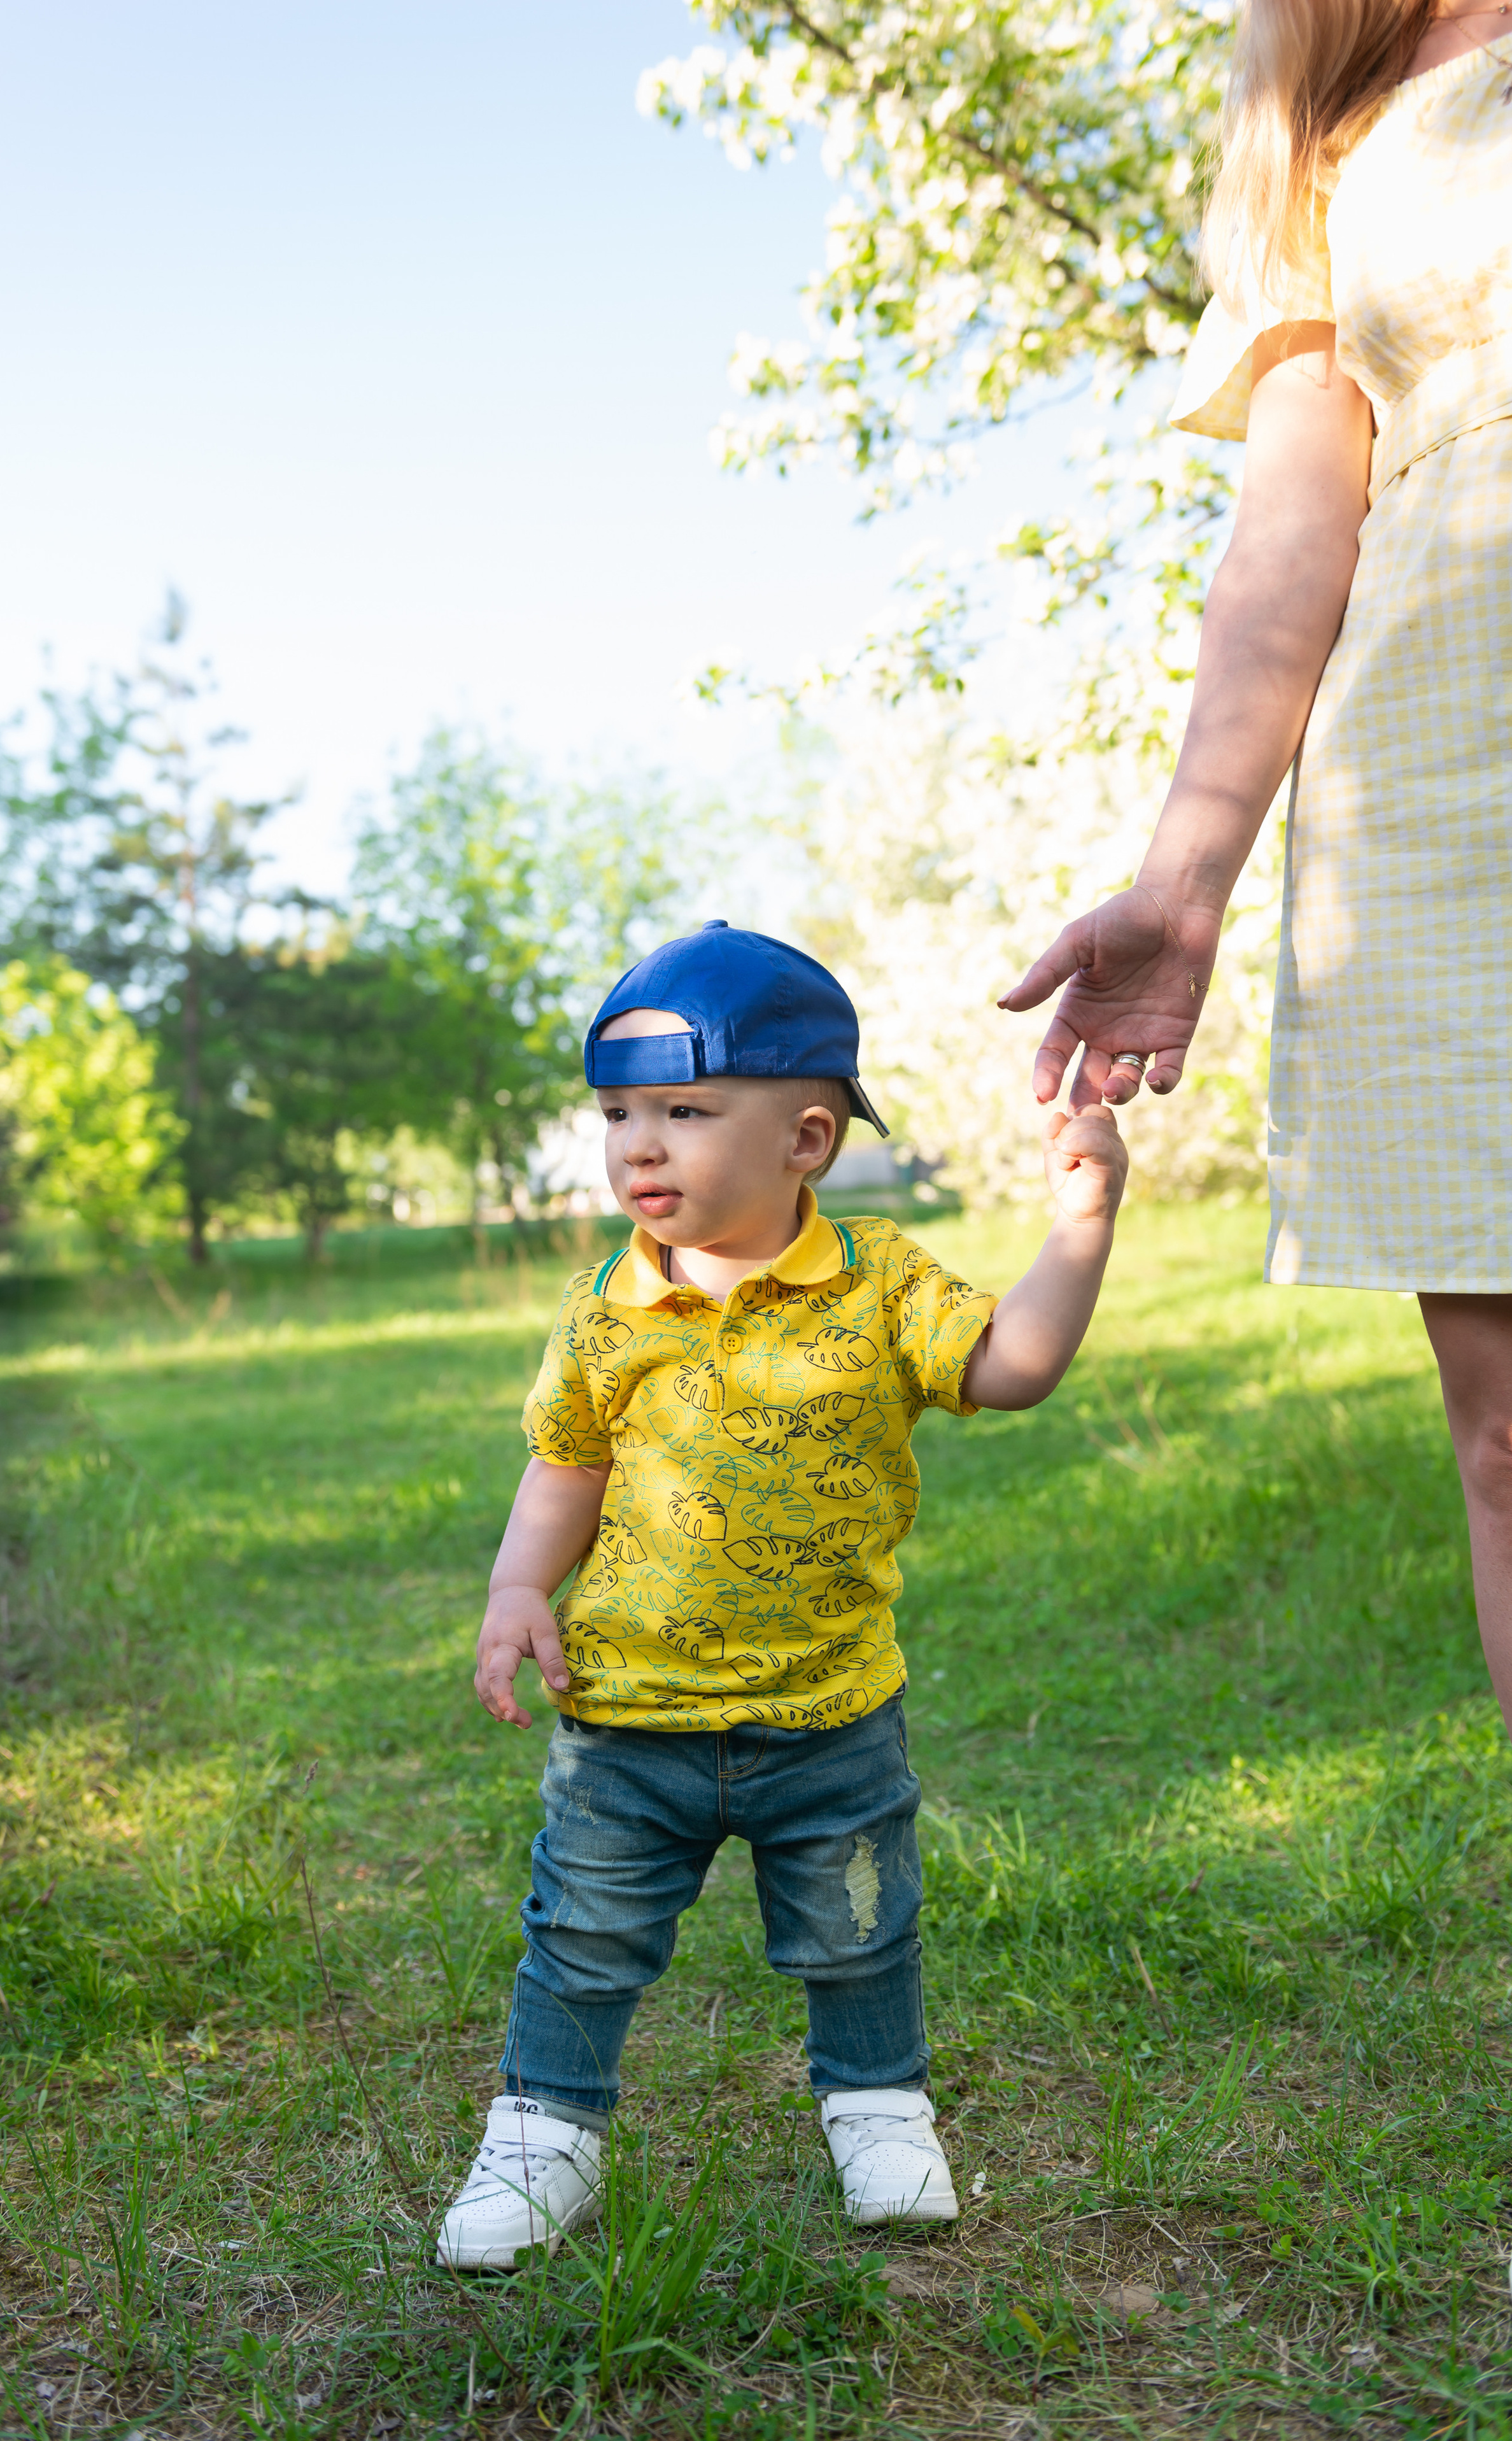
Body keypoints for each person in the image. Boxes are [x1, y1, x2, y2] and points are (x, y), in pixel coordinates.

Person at [435, 920, 1127, 2271]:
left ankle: (878, 2111)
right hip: (629, 1716)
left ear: (804, 1140)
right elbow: (566, 1462)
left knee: (859, 1935)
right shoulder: (604, 1312)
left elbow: (1014, 1365)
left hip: (828, 1715)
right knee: (578, 1939)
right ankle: (541, 2141)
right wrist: (521, 1584)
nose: (640, 1144)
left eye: (686, 1111)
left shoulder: (880, 1285)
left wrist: (1081, 1221)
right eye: (619, 1112)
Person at [1002, 3, 1512, 1723]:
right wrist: (1185, 879)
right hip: (1444, 791)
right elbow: (1295, 523)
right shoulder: (1334, 112)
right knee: (1510, 1439)